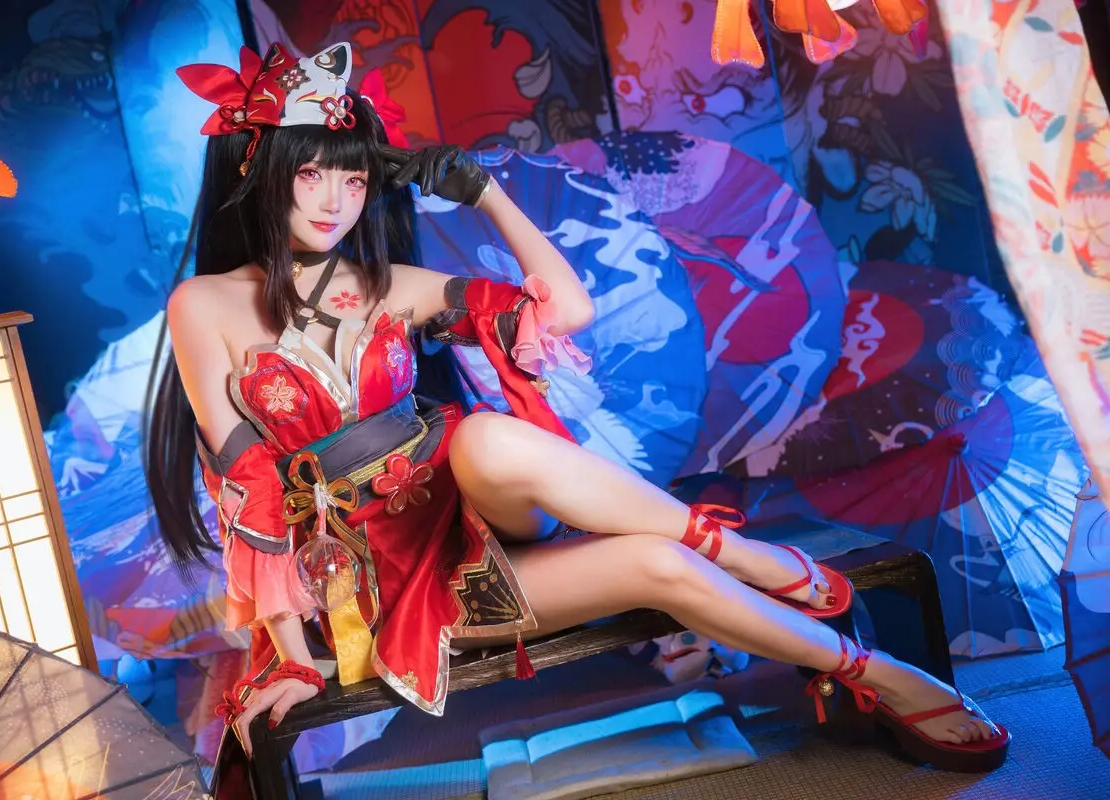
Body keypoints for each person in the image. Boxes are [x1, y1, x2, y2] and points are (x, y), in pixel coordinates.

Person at [145, 41, 1009, 790]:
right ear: (260, 169)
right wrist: (296, 656)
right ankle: (877, 672)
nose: (335, 199)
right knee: (654, 565)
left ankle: (749, 557)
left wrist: (485, 193)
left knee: (483, 434)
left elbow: (565, 310)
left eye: (353, 176)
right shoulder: (204, 306)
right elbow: (248, 489)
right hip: (380, 588)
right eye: (311, 174)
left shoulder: (387, 285)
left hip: (476, 504)